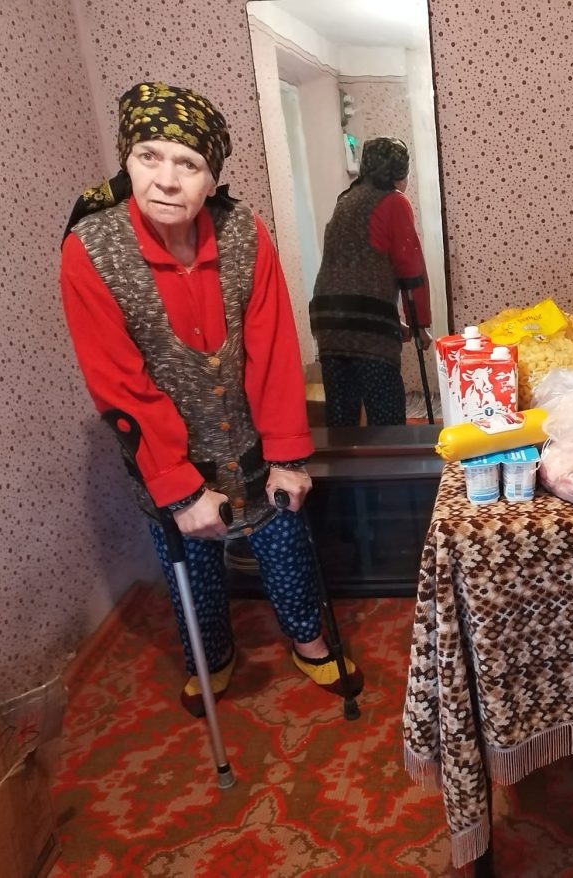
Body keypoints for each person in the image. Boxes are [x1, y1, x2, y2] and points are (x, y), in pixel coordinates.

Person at [60, 82, 362, 716]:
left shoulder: (243, 233)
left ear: (210, 177)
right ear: (127, 160)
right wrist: (179, 488)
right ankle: (213, 655)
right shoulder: (91, 250)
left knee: (286, 546)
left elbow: (274, 350)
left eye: (188, 164)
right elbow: (118, 383)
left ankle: (308, 642)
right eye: (148, 157)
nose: (167, 180)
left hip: (251, 442)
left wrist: (286, 455)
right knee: (190, 567)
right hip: (163, 457)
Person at [310, 137, 433, 426]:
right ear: (400, 174)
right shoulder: (394, 201)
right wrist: (419, 326)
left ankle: (344, 455)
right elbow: (410, 269)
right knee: (386, 414)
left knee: (342, 415)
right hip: (367, 325)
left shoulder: (346, 199)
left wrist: (395, 323)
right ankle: (391, 455)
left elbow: (355, 273)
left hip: (328, 319)